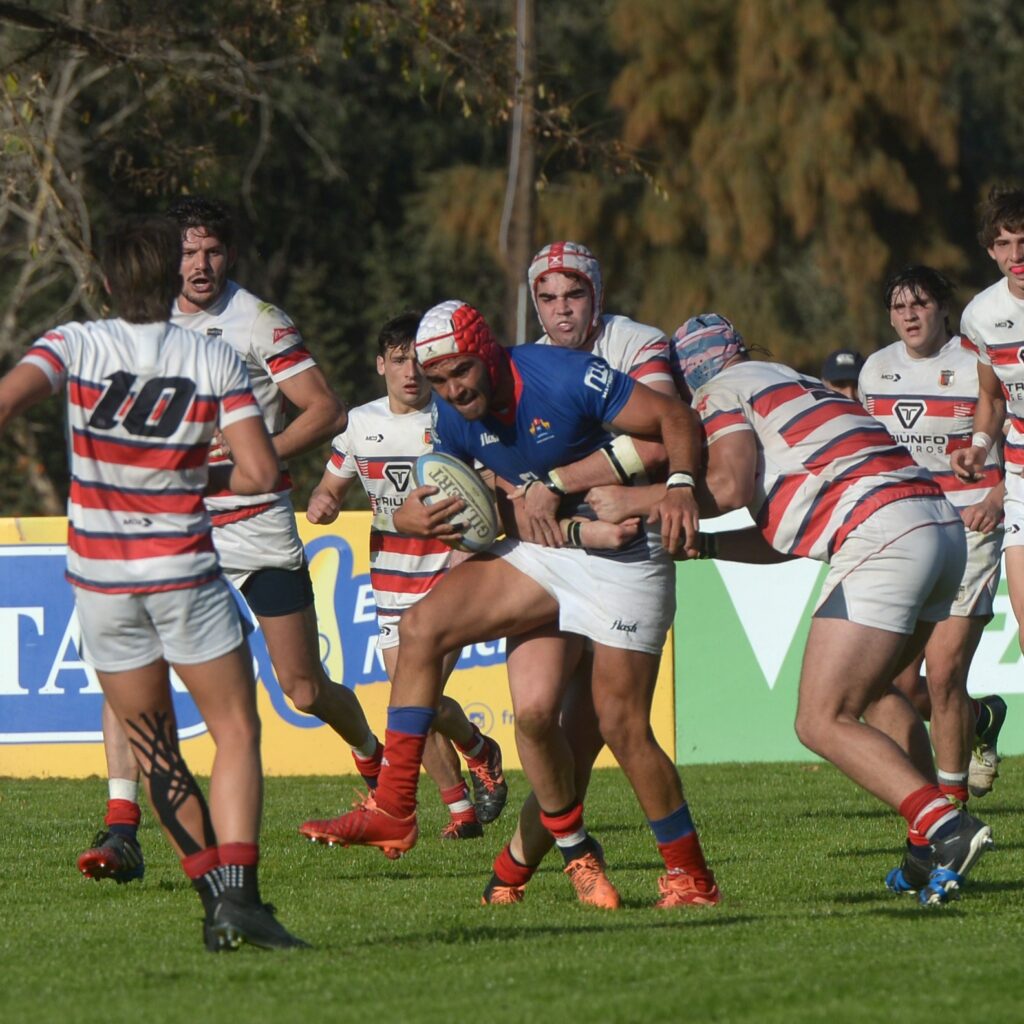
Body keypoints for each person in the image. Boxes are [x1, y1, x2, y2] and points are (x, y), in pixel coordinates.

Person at [301, 299, 720, 909]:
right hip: (552, 550)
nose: (452, 389)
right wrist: (413, 516)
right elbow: (486, 512)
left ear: (489, 353)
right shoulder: (450, 417)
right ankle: (395, 805)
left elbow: (673, 420)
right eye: (438, 378)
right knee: (438, 641)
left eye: (461, 371)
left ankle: (692, 879)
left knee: (622, 727)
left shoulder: (562, 375)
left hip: (627, 552)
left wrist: (678, 486)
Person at [2, 216, 304, 949]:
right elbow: (261, 472)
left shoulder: (73, 343)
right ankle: (241, 897)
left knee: (156, 748)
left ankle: (213, 900)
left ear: (106, 282)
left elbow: (7, 400)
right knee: (235, 730)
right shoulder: (211, 356)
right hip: (183, 573)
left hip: (103, 583)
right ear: (172, 275)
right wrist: (195, 478)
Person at [75, 196, 376, 882]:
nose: (200, 265)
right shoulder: (147, 322)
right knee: (132, 666)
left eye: (212, 251)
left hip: (257, 524)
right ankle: (121, 829)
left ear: (229, 255)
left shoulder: (258, 321)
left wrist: (251, 455)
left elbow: (325, 410)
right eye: (188, 252)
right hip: (178, 529)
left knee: (302, 688)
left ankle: (374, 760)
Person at [668, 314, 991, 905]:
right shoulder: (794, 382)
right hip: (939, 526)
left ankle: (948, 827)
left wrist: (652, 501)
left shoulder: (718, 391)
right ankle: (926, 846)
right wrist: (706, 546)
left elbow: (729, 486)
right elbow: (780, 537)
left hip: (886, 533)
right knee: (879, 693)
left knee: (819, 719)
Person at [483, 241, 686, 906]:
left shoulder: (637, 343)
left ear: (597, 295)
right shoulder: (523, 364)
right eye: (547, 298)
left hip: (626, 554)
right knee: (537, 716)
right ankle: (517, 860)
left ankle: (513, 870)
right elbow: (498, 467)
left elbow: (658, 440)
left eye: (574, 295)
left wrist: (555, 481)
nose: (562, 310)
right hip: (554, 551)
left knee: (591, 731)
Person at [299, 312, 507, 844]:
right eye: (398, 361)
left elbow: (490, 484)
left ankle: (475, 762)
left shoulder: (452, 418)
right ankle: (465, 795)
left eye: (418, 360)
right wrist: (322, 502)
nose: (410, 372)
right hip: (390, 577)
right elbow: (330, 486)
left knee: (418, 698)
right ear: (381, 365)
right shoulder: (359, 423)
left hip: (448, 571)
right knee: (413, 701)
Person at [859, 266, 1007, 830]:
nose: (910, 315)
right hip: (907, 533)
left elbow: (1016, 434)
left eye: (921, 304)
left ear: (944, 309)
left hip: (971, 527)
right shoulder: (876, 370)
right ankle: (978, 719)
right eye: (900, 307)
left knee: (944, 672)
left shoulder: (976, 362)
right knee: (894, 686)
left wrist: (998, 497)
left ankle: (951, 814)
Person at [952, 185, 1024, 787]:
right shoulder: (981, 314)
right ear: (990, 251)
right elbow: (991, 396)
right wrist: (979, 446)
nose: (1016, 254)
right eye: (1004, 243)